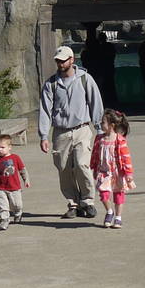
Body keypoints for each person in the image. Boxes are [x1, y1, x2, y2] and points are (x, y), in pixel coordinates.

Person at [38, 45, 104, 220]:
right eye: (58, 61)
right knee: (64, 168)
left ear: (72, 60)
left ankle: (88, 201)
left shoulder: (85, 79)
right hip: (60, 132)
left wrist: (99, 129)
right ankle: (73, 204)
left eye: (63, 60)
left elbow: (95, 103)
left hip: (82, 129)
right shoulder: (51, 84)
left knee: (83, 165)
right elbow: (45, 110)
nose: (60, 64)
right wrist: (43, 135)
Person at [90, 110, 136, 229]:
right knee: (103, 194)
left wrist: (128, 174)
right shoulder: (99, 139)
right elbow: (95, 154)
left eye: (103, 122)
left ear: (112, 125)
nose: (101, 124)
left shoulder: (119, 140)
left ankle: (118, 217)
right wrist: (94, 167)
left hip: (117, 172)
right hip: (103, 172)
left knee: (118, 194)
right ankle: (109, 211)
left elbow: (126, 158)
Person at [0, 134, 30, 230]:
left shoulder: (15, 158)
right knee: (2, 206)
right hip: (1, 188)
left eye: (2, 147)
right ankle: (4, 220)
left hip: (15, 187)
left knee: (17, 205)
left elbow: (22, 170)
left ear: (10, 147)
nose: (0, 150)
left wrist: (26, 180)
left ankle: (18, 214)